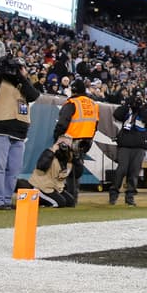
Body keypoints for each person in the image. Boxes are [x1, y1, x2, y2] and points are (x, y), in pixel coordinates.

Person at [0, 55, 40, 210]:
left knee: (14, 169)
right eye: (21, 68)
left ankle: (7, 199)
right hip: (0, 129)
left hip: (19, 132)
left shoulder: (24, 85)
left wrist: (20, 78)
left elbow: (34, 95)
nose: (23, 71)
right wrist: (0, 74)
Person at [52, 78, 98, 207]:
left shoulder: (72, 103)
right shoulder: (93, 104)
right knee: (75, 172)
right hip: (86, 142)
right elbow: (96, 124)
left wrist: (56, 138)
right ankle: (73, 198)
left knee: (65, 171)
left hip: (70, 140)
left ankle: (67, 199)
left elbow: (62, 123)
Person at [110, 91, 147, 206]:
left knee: (134, 172)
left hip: (139, 147)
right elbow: (116, 115)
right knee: (121, 170)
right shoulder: (127, 111)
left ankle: (130, 196)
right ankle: (113, 193)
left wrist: (141, 108)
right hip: (125, 145)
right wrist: (127, 105)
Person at [30, 135, 76, 207]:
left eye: (68, 145)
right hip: (42, 187)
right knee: (60, 203)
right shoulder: (48, 152)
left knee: (71, 202)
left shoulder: (68, 157)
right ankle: (37, 200)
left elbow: (78, 174)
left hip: (55, 188)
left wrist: (77, 159)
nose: (65, 147)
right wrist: (52, 152)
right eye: (63, 144)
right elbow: (41, 167)